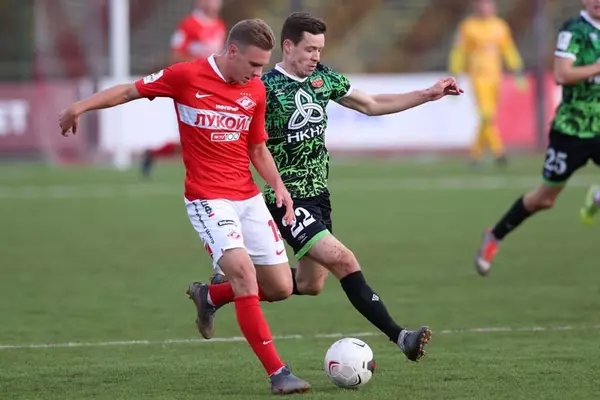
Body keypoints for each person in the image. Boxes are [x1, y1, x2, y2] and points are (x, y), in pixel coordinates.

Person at [58, 19, 311, 395]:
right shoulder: (186, 76)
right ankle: (279, 373)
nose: (259, 74)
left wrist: (278, 186)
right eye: (254, 64)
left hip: (247, 197)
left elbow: (257, 147)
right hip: (207, 198)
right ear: (232, 51)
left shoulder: (255, 90)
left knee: (281, 287)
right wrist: (80, 106)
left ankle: (210, 296)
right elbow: (129, 91)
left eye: (263, 66)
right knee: (244, 275)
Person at [200, 12, 464, 363]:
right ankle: (402, 337)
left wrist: (428, 94)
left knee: (310, 284)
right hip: (286, 199)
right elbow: (239, 135)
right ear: (288, 46)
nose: (316, 56)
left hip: (319, 196)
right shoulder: (263, 86)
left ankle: (213, 295)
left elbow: (371, 104)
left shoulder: (323, 78)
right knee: (344, 259)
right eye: (309, 49)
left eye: (320, 50)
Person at [475, 0, 600, 276]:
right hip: (573, 129)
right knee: (544, 199)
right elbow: (562, 74)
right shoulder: (575, 30)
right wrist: (596, 67)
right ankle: (494, 235)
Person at [141, 0, 226, 177]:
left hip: (213, 86)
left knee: (203, 134)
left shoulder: (219, 25)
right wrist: (198, 68)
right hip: (193, 86)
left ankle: (153, 153)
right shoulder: (189, 24)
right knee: (201, 133)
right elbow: (176, 54)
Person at [448, 0, 526, 166]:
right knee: (486, 114)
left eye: (488, 4)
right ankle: (499, 151)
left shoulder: (500, 26)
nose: (485, 8)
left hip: (496, 77)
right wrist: (455, 72)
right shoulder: (468, 26)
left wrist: (517, 69)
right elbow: (459, 51)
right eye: (482, 5)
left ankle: (475, 154)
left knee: (489, 118)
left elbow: (508, 49)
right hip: (477, 77)